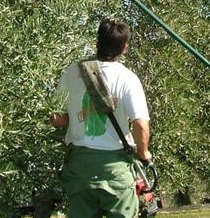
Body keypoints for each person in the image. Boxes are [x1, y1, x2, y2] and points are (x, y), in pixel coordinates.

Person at [50, 19, 151, 218]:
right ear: (125, 48)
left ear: (97, 43)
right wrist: (144, 153)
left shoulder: (72, 73)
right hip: (115, 169)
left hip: (80, 167)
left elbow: (57, 119)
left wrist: (78, 117)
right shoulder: (128, 78)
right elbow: (140, 125)